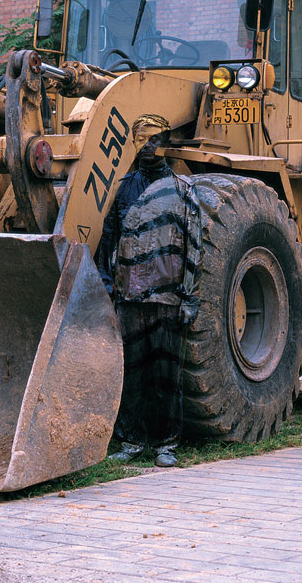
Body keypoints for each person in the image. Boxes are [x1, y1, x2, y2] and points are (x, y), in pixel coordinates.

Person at [96, 113, 202, 468]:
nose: (148, 147)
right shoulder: (123, 188)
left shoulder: (183, 190)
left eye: (154, 140)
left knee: (167, 375)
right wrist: (109, 287)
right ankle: (130, 439)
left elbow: (194, 244)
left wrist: (189, 296)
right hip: (129, 299)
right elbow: (108, 240)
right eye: (141, 140)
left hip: (166, 297)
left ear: (165, 143)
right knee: (132, 374)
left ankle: (166, 443)